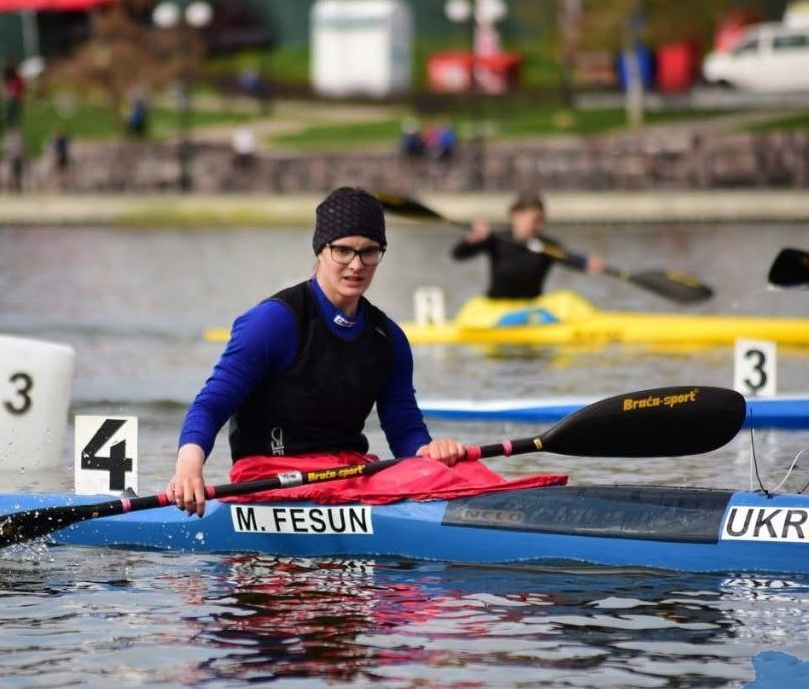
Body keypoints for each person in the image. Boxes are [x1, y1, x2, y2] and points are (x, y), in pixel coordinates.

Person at [167, 187, 563, 517]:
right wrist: (189, 468)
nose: (357, 265)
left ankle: (545, 514)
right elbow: (211, 405)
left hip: (350, 473)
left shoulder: (387, 337)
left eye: (370, 251)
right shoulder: (274, 322)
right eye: (344, 251)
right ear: (321, 250)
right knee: (438, 482)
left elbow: (406, 433)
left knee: (466, 470)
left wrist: (431, 452)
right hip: (273, 475)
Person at [452, 191, 606, 300]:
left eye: (541, 220)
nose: (538, 226)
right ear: (515, 215)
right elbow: (457, 255)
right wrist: (471, 240)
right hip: (496, 309)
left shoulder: (546, 245)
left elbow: (570, 259)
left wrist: (587, 263)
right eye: (534, 220)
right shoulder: (495, 240)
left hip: (531, 309)